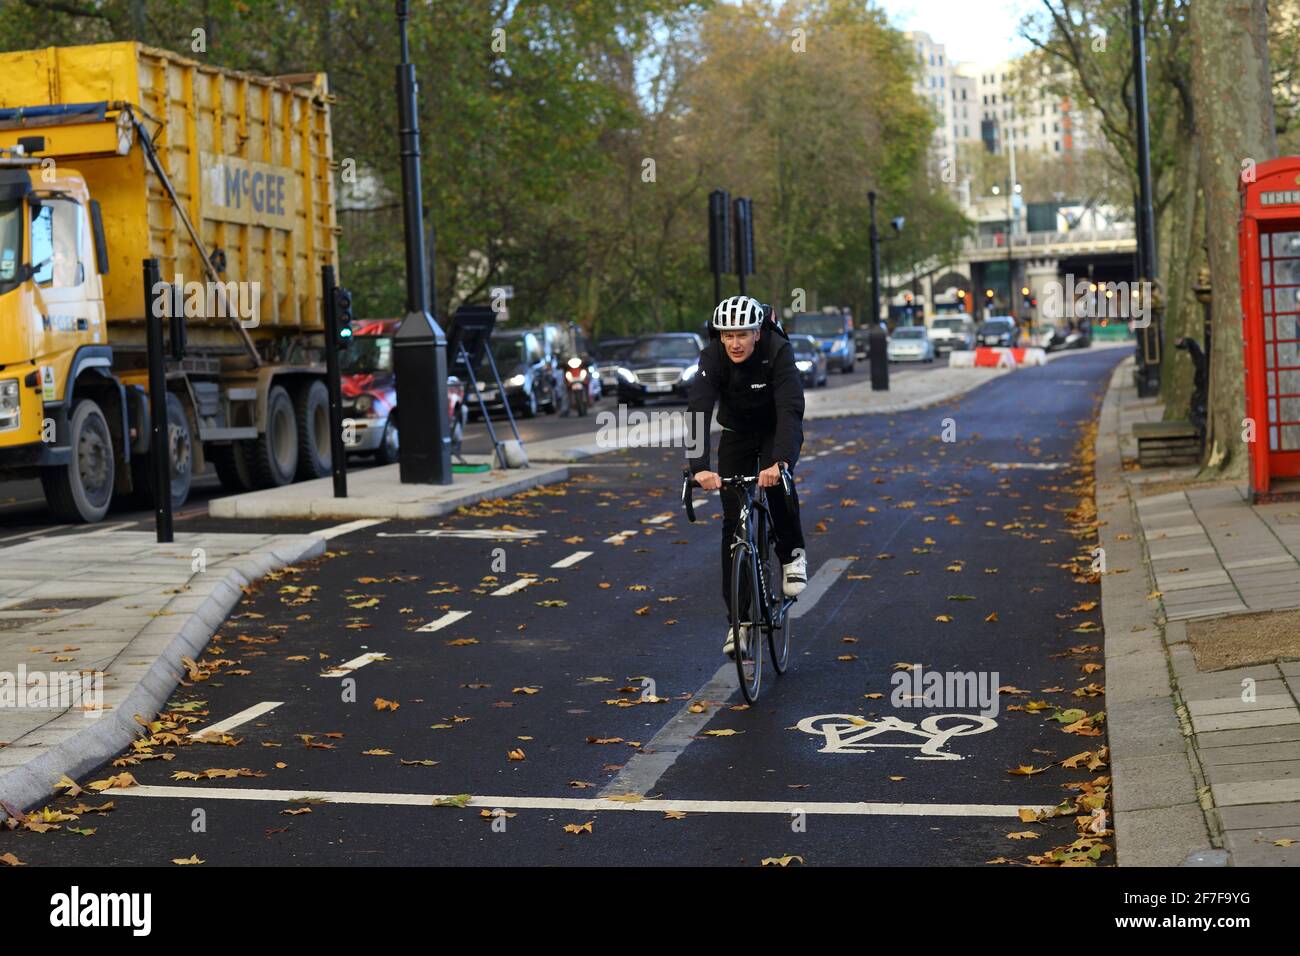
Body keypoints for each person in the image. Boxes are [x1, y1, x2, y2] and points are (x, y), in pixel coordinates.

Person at [687, 295, 807, 659]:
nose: (735, 343)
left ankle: (792, 556)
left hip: (774, 427)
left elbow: (791, 408)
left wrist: (781, 461)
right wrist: (699, 468)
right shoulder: (712, 357)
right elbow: (698, 408)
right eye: (727, 336)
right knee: (732, 523)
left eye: (742, 334)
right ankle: (737, 623)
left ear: (757, 333)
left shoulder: (778, 349)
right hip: (737, 431)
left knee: (777, 486)